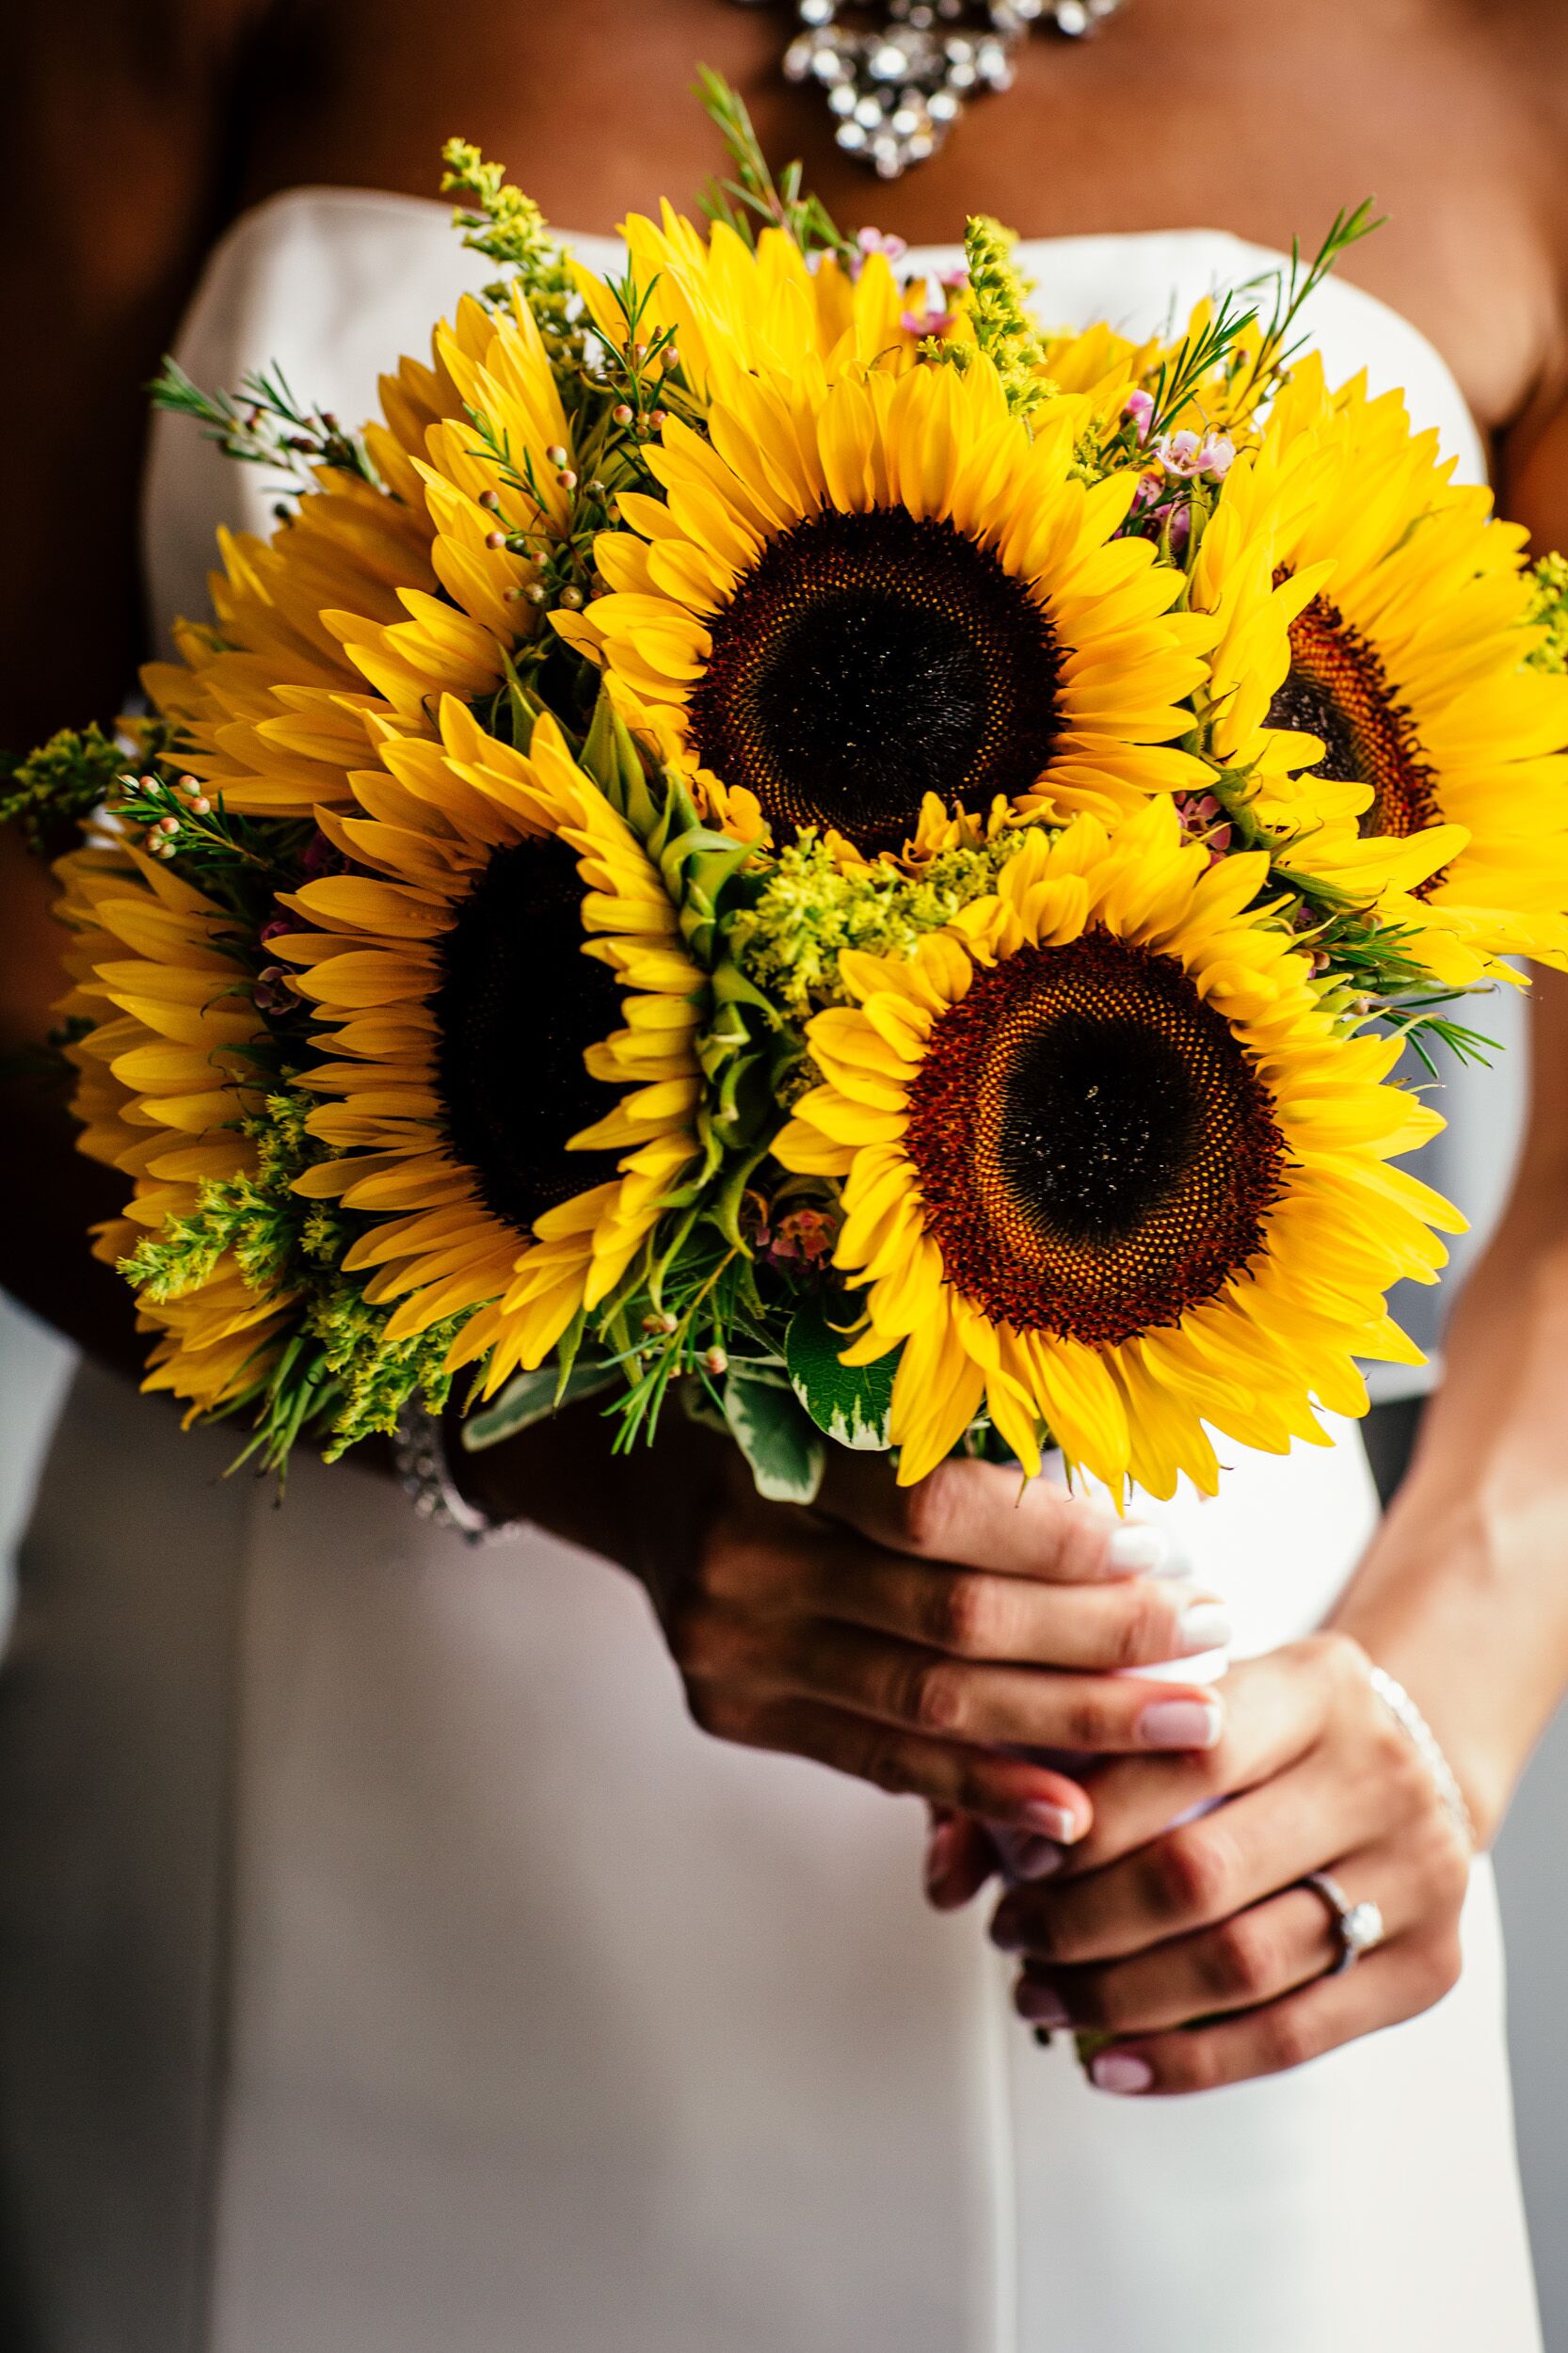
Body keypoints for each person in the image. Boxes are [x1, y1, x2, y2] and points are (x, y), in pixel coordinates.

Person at [1, 2, 1564, 2346]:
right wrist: (568, 1453)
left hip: (1183, 1795)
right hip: (294, 1723)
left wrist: (1441, 1688)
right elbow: (12, 940)